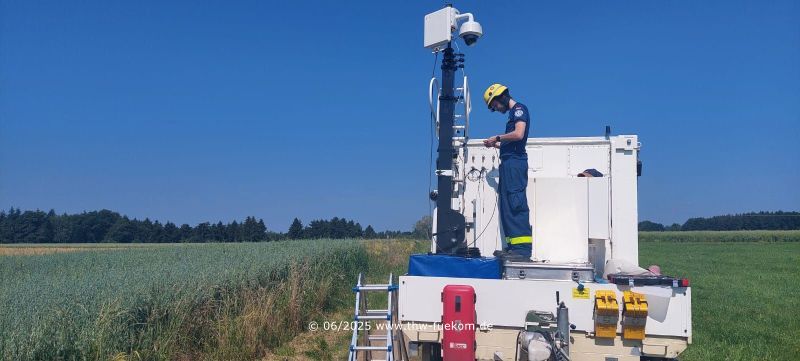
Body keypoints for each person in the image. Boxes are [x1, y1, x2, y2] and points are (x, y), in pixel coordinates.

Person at [482, 83, 533, 261]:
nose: (496, 109)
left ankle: (523, 250)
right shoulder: (512, 114)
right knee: (507, 206)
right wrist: (495, 144)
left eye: (494, 105)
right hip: (509, 163)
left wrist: (497, 137)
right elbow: (511, 142)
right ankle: (512, 248)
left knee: (515, 202)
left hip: (515, 163)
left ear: (501, 96)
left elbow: (519, 134)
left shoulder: (519, 109)